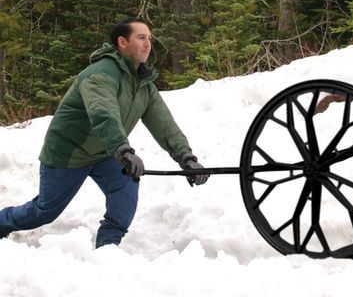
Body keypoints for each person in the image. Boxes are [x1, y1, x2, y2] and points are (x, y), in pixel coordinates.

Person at [0, 17, 209, 246]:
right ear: (122, 42)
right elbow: (103, 115)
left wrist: (186, 158)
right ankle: (3, 221)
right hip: (69, 154)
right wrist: (124, 151)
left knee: (125, 191)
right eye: (141, 37)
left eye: (149, 38)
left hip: (106, 154)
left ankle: (107, 249)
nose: (148, 43)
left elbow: (164, 124)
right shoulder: (100, 74)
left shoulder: (143, 84)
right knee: (44, 212)